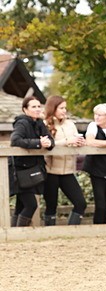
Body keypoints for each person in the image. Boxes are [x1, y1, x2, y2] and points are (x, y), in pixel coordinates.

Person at [42, 95, 87, 225]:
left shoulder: (70, 124)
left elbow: (73, 142)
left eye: (65, 108)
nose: (64, 111)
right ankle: (50, 233)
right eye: (61, 108)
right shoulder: (44, 125)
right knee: (51, 206)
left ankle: (71, 232)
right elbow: (47, 145)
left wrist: (78, 142)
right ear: (53, 108)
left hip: (67, 171)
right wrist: (67, 141)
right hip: (50, 171)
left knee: (80, 203)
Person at [9, 95, 54, 227]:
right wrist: (38, 143)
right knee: (31, 205)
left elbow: (50, 140)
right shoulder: (22, 122)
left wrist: (47, 143)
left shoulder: (39, 123)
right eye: (33, 107)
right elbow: (15, 140)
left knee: (20, 205)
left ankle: (14, 233)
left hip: (33, 168)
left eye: (39, 106)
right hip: (20, 170)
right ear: (25, 110)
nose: (37, 109)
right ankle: (19, 233)